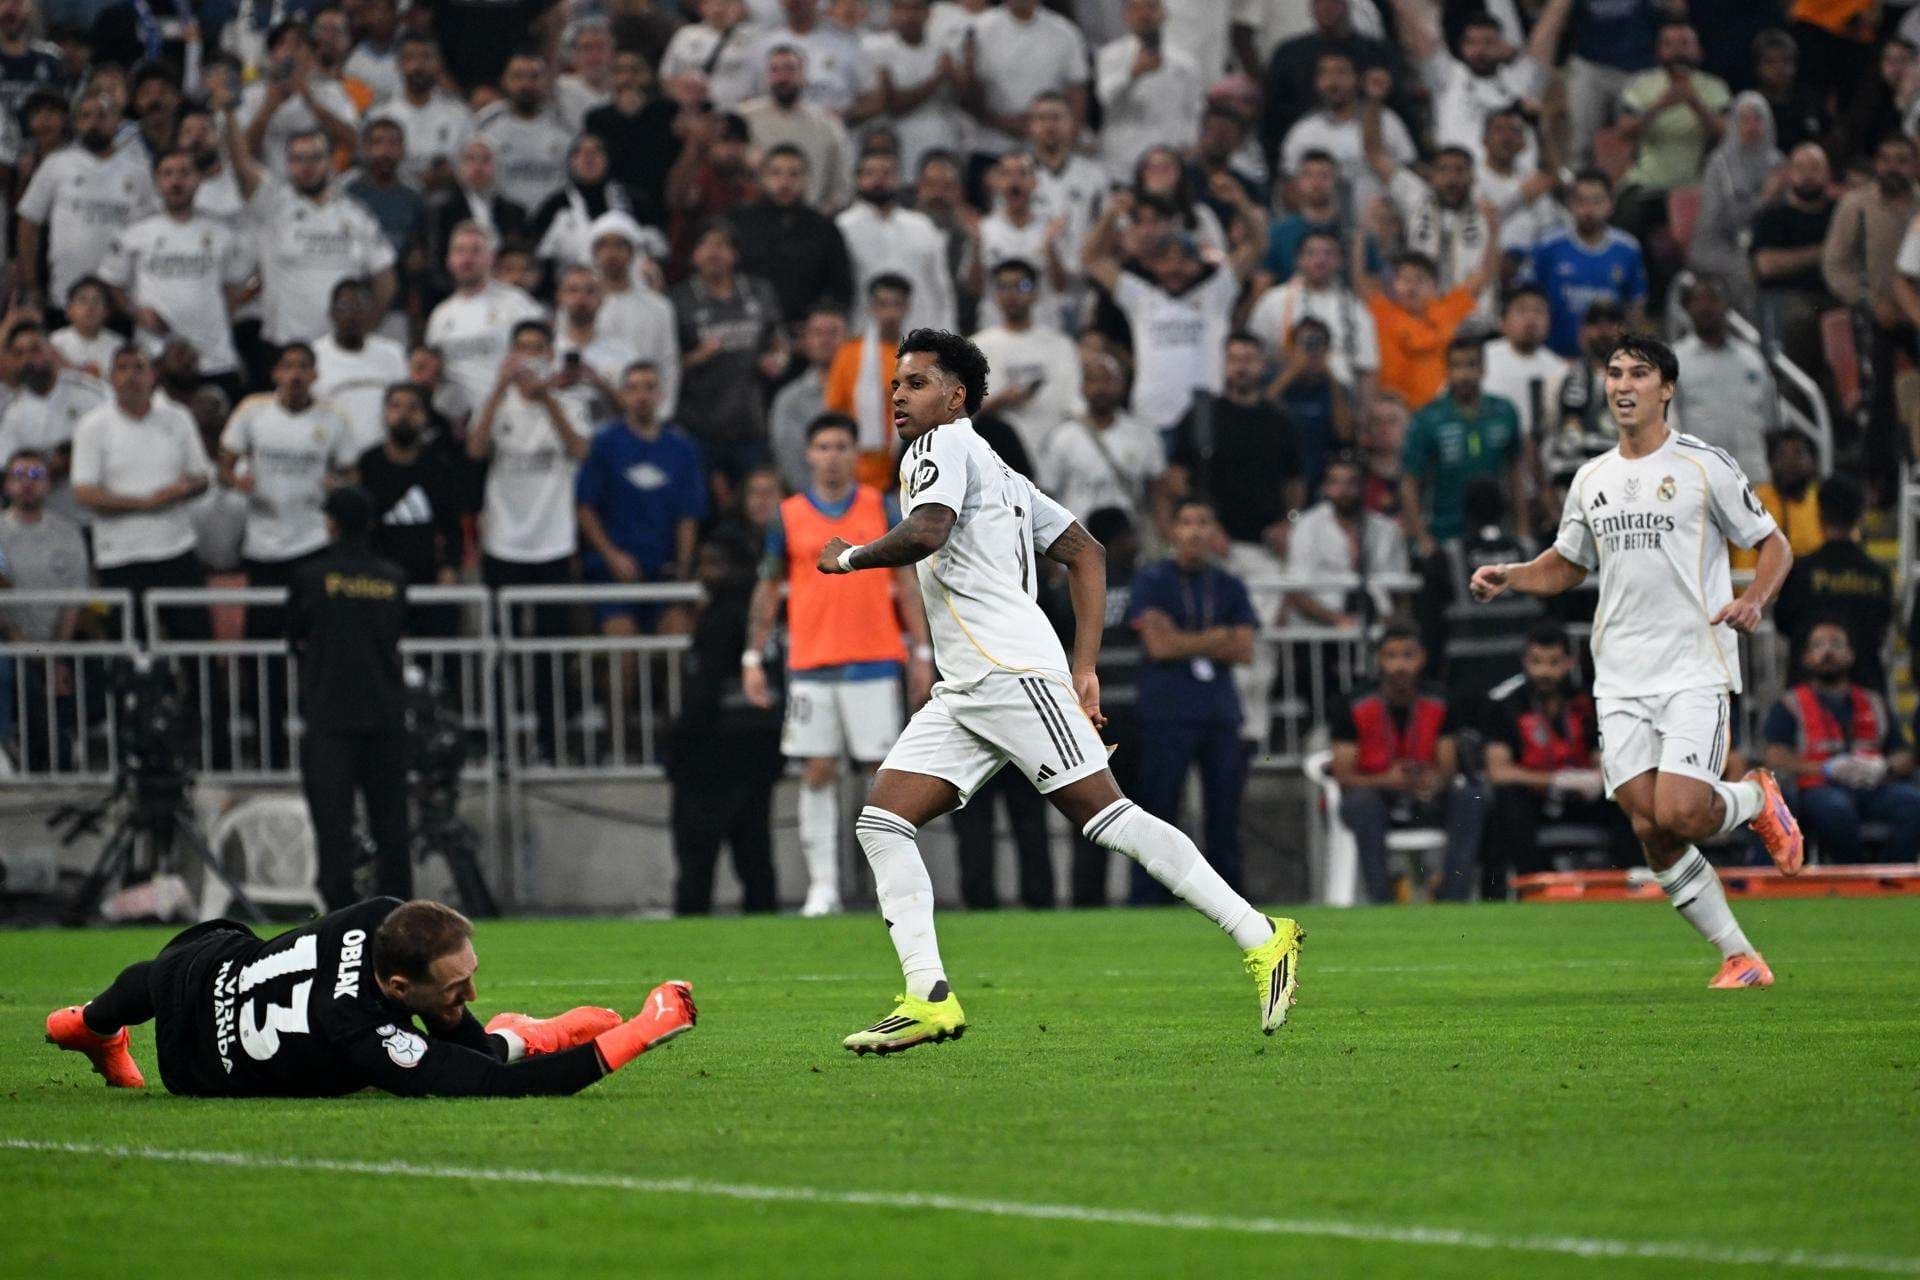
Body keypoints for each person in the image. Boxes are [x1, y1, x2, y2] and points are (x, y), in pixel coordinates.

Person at [815, 328, 1303, 1053]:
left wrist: (850, 555)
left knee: (1107, 819)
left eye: (916, 383)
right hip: (970, 687)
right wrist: (1085, 666)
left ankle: (1263, 935)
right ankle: (928, 996)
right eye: (895, 384)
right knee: (883, 822)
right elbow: (1087, 552)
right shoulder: (999, 468)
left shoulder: (941, 448)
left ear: (956, 396)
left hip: (1007, 673)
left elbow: (927, 531)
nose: (898, 396)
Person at [1470, 334, 1803, 989]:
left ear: (1667, 388)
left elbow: (1774, 544)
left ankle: (1752, 796)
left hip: (1692, 666)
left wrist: (1755, 600)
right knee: (1650, 823)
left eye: (1638, 374)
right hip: (1618, 674)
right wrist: (1512, 575)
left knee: (1681, 811)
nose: (1623, 385)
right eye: (1615, 373)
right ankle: (1741, 957)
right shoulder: (1592, 478)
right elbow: (1567, 563)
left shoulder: (1706, 465)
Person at [44, 896, 697, 1096]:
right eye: (455, 984)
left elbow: (445, 1023)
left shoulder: (384, 916)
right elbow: (498, 1089)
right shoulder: (358, 1031)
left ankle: (90, 1024)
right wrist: (642, 1028)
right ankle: (93, 1030)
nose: (471, 990)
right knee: (474, 1061)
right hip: (196, 1068)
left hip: (209, 969)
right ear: (394, 986)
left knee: (181, 963)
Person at [743, 413, 931, 917]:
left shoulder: (881, 506)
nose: (831, 456)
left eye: (841, 446)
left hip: (874, 657)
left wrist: (922, 653)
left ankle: (888, 884)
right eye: (822, 446)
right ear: (808, 454)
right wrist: (752, 657)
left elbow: (907, 584)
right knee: (818, 770)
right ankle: (822, 887)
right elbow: (767, 588)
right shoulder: (788, 515)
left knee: (882, 772)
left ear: (855, 452)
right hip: (811, 661)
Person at [468, 321, 592, 761]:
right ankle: (501, 741)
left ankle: (550, 739)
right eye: (522, 349)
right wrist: (501, 386)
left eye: (538, 348)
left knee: (549, 651)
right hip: (503, 543)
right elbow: (476, 450)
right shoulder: (497, 405)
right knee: (502, 650)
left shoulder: (570, 404)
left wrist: (549, 400)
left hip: (552, 542)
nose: (529, 356)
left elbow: (580, 451)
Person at [286, 486, 411, 909]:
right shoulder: (392, 578)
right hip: (385, 715)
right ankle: (397, 917)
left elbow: (295, 636)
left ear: (332, 524)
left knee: (333, 828)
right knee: (392, 828)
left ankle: (339, 920)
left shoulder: (310, 577)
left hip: (330, 718)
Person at [1127, 499, 1257, 900]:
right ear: (1173, 531)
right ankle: (1149, 902)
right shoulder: (1151, 580)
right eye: (1186, 522)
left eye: (1203, 521)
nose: (1195, 531)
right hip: (1166, 710)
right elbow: (1158, 646)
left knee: (1225, 816)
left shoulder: (1229, 584)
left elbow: (1245, 649)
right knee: (1159, 812)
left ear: (1214, 530)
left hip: (1219, 712)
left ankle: (1229, 905)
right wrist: (1215, 638)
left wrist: (1183, 639)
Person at [668, 536, 784, 915]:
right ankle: (766, 926)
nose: (705, 573)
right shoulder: (762, 616)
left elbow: (705, 690)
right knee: (755, 857)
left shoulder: (720, 615)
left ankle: (690, 929)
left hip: (712, 757)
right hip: (760, 747)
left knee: (697, 860)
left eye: (714, 563)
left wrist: (676, 749)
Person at [1328, 623, 1485, 902]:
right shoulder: (1351, 704)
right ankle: (1382, 900)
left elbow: (1447, 764)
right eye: (1391, 656)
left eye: (1408, 655)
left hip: (1425, 796)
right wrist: (1386, 781)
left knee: (1469, 798)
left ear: (1422, 658)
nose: (1400, 665)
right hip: (1374, 797)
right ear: (1379, 659)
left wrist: (1434, 782)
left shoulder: (1441, 700)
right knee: (1364, 803)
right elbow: (1343, 775)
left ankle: (1453, 897)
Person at [70, 346, 212, 643]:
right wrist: (144, 503)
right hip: (120, 556)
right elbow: (84, 493)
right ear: (111, 377)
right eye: (122, 368)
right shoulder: (92, 426)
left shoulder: (178, 417)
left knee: (196, 643)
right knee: (130, 651)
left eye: (139, 367)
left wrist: (182, 489)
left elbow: (201, 479)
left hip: (176, 548)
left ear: (153, 375)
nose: (131, 376)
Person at [1481, 624, 1626, 899]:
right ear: (1525, 662)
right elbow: (1499, 771)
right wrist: (1553, 780)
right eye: (1536, 662)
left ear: (1568, 663)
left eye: (1553, 663)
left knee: (1625, 795)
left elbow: (1601, 756)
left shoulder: (1587, 702)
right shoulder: (1506, 705)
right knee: (1507, 800)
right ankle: (1533, 889)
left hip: (1582, 796)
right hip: (1533, 800)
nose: (1544, 672)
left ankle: (1620, 886)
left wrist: (1597, 778)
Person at [229, 123, 398, 355]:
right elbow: (240, 164)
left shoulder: (355, 214)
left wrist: (367, 328)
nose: (306, 167)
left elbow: (385, 278)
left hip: (341, 349)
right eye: (298, 159)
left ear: (330, 161)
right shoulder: (272, 205)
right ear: (288, 164)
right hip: (284, 348)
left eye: (315, 158)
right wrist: (227, 113)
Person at [1761, 618, 1920, 864]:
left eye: (1836, 644)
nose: (1828, 652)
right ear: (1806, 658)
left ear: (1851, 656)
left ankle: (1891, 876)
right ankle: (1854, 878)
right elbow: (1775, 757)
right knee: (1835, 809)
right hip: (1817, 789)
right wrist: (1826, 769)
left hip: (1872, 787)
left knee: (1912, 802)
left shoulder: (1874, 702)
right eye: (1819, 645)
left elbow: (1906, 756)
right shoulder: (1790, 704)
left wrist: (1883, 767)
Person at [97, 148, 251, 396]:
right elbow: (111, 282)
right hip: (154, 356)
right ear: (156, 181)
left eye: (184, 173)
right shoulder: (136, 233)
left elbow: (232, 288)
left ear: (198, 179)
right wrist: (136, 313)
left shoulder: (222, 233)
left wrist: (216, 322)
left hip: (213, 357)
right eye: (167, 174)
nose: (176, 181)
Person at [574, 362, 707, 637]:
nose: (641, 396)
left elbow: (688, 514)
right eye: (633, 388)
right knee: (621, 642)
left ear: (660, 395)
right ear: (622, 395)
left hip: (663, 568)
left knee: (676, 638)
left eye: (649, 388)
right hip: (614, 571)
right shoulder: (605, 444)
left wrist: (682, 569)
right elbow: (584, 506)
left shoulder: (682, 449)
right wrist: (611, 556)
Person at [14, 91, 156, 317]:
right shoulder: (56, 164)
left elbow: (152, 231)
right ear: (77, 122)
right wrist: (31, 284)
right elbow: (29, 222)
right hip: (64, 296)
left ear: (117, 120)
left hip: (122, 298)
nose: (93, 122)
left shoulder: (138, 170)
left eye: (102, 115)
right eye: (86, 116)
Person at [356, 382, 469, 635]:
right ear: (385, 414)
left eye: (413, 407)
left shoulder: (440, 466)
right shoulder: (368, 464)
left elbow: (452, 526)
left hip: (429, 578)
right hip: (379, 580)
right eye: (396, 407)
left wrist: (450, 566)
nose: (404, 415)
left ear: (426, 416)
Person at [1401, 335, 1525, 556]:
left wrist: (1522, 529)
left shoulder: (1504, 412)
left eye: (1471, 364)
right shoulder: (1427, 418)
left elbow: (1515, 474)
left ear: (1483, 368)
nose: (1465, 374)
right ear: (1447, 371)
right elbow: (1410, 482)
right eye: (1457, 365)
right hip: (1443, 532)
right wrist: (1421, 537)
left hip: (1496, 531)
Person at [1775, 474, 1893, 699]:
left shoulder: (1800, 572)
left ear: (1819, 514)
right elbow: (1881, 629)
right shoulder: (1878, 575)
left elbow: (1784, 624)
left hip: (1807, 697)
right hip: (1866, 693)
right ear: (1861, 514)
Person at [424, 222, 547, 415]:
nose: (467, 259)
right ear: (449, 259)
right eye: (460, 251)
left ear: (491, 259)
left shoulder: (517, 303)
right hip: (456, 424)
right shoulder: (439, 316)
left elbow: (541, 357)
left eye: (476, 251)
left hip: (508, 416)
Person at [1524, 171, 1649, 360]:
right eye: (1581, 201)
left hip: (1607, 358)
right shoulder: (1548, 246)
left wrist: (1630, 351)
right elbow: (1529, 297)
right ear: (1569, 205)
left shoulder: (1627, 249)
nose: (1588, 209)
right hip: (1552, 355)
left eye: (1596, 201)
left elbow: (1635, 304)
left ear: (1610, 205)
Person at [1245, 228, 1378, 405]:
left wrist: (1363, 418)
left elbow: (1367, 369)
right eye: (1311, 253)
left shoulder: (1355, 309)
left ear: (1340, 261)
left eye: (1329, 253)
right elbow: (1256, 355)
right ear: (1298, 259)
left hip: (1338, 401)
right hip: (1284, 395)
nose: (1320, 260)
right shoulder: (1273, 301)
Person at [969, 257, 1083, 462]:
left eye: (1022, 286)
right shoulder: (976, 347)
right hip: (999, 459)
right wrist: (1000, 401)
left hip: (1053, 454)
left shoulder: (1060, 345)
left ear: (1035, 293)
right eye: (1003, 286)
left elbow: (1075, 405)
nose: (1011, 294)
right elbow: (963, 414)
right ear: (994, 294)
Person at [1670, 274, 1781, 484]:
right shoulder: (1675, 360)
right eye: (1698, 300)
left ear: (1726, 306)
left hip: (1752, 478)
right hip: (1700, 481)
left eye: (1713, 299)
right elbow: (1668, 427)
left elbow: (1771, 424)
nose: (1706, 307)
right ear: (1687, 308)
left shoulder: (1751, 359)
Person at [1040, 346, 1167, 528]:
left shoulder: (1144, 435)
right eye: (1092, 380)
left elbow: (1158, 493)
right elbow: (1047, 495)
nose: (1100, 388)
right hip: (1079, 544)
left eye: (1107, 380)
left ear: (1122, 385)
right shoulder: (1062, 437)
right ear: (1082, 387)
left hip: (1128, 542)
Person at [731, 144, 855, 324]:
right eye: (776, 173)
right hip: (748, 328)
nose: (785, 182)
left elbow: (841, 288)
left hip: (808, 333)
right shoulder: (739, 223)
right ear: (762, 178)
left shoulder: (824, 228)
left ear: (806, 179)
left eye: (794, 174)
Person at [836, 149, 956, 335]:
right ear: (858, 179)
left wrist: (947, 336)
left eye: (887, 173)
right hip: (862, 335)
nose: (879, 179)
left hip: (920, 336)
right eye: (870, 173)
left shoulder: (922, 226)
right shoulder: (842, 227)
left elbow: (941, 288)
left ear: (899, 179)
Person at [1285, 452, 1410, 630]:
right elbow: (1296, 591)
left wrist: (1393, 626)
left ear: (1364, 486)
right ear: (1326, 487)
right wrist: (1337, 620)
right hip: (1321, 629)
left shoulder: (1387, 530)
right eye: (1335, 482)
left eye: (1351, 482)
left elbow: (1401, 589)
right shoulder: (1307, 526)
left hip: (1377, 624)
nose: (1343, 490)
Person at [1689, 93, 1783, 316]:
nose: (1752, 127)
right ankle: (1750, 339)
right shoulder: (1719, 164)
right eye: (1744, 120)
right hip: (1718, 244)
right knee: (1744, 273)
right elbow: (1719, 221)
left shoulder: (1778, 163)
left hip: (1761, 242)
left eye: (1758, 120)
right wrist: (1763, 201)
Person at [1095, 0, 1205, 183]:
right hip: (1122, 163)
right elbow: (1105, 98)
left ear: (1164, 14)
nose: (1144, 15)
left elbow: (1194, 110)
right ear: (1126, 17)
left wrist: (1189, 143)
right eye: (1136, 9)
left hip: (1169, 163)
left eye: (1151, 7)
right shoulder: (1110, 55)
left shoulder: (1185, 62)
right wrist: (1132, 74)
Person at [739, 44, 854, 213]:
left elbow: (842, 183)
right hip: (756, 219)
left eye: (790, 69)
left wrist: (821, 217)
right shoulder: (745, 118)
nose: (782, 78)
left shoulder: (828, 123)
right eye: (775, 70)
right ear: (767, 76)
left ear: (803, 76)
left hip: (812, 218)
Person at [824, 272, 912, 489]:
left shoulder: (919, 357)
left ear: (907, 307)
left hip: (906, 467)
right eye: (883, 304)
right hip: (858, 471)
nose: (890, 313)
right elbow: (836, 412)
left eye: (896, 304)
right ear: (871, 307)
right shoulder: (849, 354)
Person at [314, 277, 411, 455]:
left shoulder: (393, 354)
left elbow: (406, 408)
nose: (352, 314)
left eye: (359, 307)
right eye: (345, 307)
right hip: (332, 456)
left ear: (370, 312)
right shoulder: (315, 357)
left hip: (383, 459)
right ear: (331, 313)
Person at [368, 30, 473, 191]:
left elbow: (472, 164)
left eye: (426, 57)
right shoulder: (379, 115)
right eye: (410, 58)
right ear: (398, 64)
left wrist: (447, 175)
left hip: (448, 202)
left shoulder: (459, 114)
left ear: (438, 64)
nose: (418, 65)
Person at [474, 49, 572, 213]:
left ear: (546, 82)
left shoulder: (564, 125)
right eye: (518, 77)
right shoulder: (485, 124)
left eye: (534, 77)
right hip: (501, 219)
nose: (526, 85)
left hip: (554, 219)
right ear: (504, 80)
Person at [1481, 286, 1569, 453]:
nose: (1531, 319)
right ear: (1503, 321)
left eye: (1538, 312)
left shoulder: (1560, 370)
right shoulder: (1481, 358)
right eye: (1521, 310)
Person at [769, 306, 847, 491]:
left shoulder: (872, 394)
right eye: (818, 333)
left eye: (833, 332)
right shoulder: (789, 400)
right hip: (813, 504)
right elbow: (792, 465)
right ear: (805, 342)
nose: (826, 340)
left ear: (848, 339)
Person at [1732, 428, 1822, 574]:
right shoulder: (1754, 505)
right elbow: (1745, 575)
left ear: (1813, 462)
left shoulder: (1823, 502)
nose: (1791, 462)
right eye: (1783, 455)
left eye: (1798, 453)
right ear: (1771, 463)